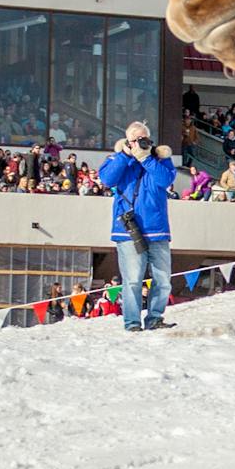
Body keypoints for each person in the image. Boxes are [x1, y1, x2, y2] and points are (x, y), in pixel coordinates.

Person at [98, 120, 176, 331]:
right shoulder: (117, 159)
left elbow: (165, 180)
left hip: (157, 228)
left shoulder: (160, 160)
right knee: (132, 280)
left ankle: (155, 318)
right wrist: (125, 155)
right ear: (127, 141)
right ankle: (132, 323)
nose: (139, 144)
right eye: (134, 140)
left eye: (143, 139)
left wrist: (146, 158)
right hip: (128, 230)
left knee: (163, 280)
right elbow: (107, 179)